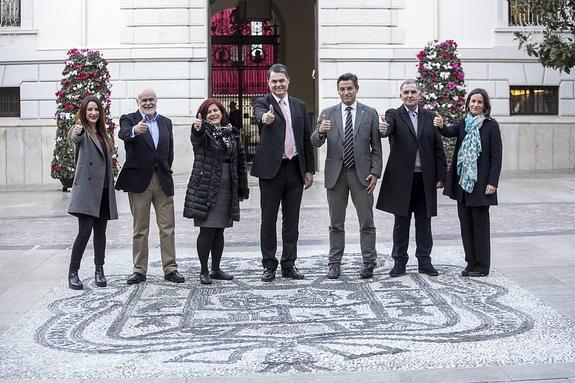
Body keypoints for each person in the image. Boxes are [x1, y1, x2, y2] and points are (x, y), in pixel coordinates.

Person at [311, 73, 382, 279]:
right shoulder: (327, 113)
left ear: (357, 89)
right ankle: (334, 264)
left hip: (362, 175)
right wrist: (321, 131)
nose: (346, 92)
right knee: (336, 223)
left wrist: (375, 172)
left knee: (366, 222)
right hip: (336, 175)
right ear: (338, 91)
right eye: (342, 89)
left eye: (349, 88)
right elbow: (315, 141)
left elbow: (376, 146)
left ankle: (369, 262)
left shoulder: (369, 113)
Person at [251, 63, 315, 282]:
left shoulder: (299, 106)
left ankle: (289, 264)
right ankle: (269, 265)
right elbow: (260, 114)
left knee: (292, 221)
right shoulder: (262, 102)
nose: (278, 84)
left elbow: (307, 139)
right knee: (268, 220)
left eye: (281, 80)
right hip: (271, 171)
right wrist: (264, 118)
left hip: (294, 168)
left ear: (288, 81)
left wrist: (309, 170)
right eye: (274, 81)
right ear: (268, 83)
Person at [377, 79, 446, 277]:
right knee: (401, 223)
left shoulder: (430, 116)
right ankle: (399, 262)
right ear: (401, 96)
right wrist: (383, 129)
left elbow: (438, 148)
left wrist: (441, 175)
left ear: (419, 95)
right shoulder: (394, 114)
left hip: (425, 179)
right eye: (405, 92)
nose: (409, 95)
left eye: (413, 92)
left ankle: (425, 261)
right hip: (402, 180)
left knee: (424, 223)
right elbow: (387, 129)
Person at [115, 88, 185, 284]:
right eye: (144, 100)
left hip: (162, 180)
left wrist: (165, 170)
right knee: (140, 228)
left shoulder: (166, 122)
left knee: (168, 227)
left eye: (151, 99)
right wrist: (134, 131)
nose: (148, 103)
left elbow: (169, 151)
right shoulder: (129, 119)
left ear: (156, 100)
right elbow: (122, 134)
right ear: (138, 102)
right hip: (139, 182)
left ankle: (170, 269)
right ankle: (139, 270)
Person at [434, 88, 502, 277]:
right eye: (473, 101)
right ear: (468, 103)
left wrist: (493, 182)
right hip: (463, 184)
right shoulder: (464, 123)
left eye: (479, 102)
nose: (475, 105)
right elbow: (448, 132)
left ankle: (482, 266)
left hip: (481, 185)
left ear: (485, 106)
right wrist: (440, 125)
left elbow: (497, 156)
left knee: (480, 226)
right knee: (466, 226)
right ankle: (470, 263)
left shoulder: (491, 126)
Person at [183, 99, 249, 285]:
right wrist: (197, 128)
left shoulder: (232, 133)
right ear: (203, 117)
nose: (212, 114)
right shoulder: (203, 132)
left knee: (220, 230)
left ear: (222, 112)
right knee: (207, 230)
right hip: (207, 186)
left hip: (228, 186)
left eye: (215, 110)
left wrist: (242, 188)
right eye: (208, 112)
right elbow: (196, 139)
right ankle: (203, 270)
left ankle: (216, 269)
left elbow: (240, 162)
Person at [67, 96, 118, 290]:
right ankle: (73, 272)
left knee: (100, 233)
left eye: (96, 109)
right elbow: (75, 137)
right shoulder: (80, 131)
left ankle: (99, 270)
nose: (93, 113)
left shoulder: (103, 134)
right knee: (84, 232)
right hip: (87, 191)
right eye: (89, 110)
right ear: (83, 112)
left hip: (104, 190)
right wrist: (77, 130)